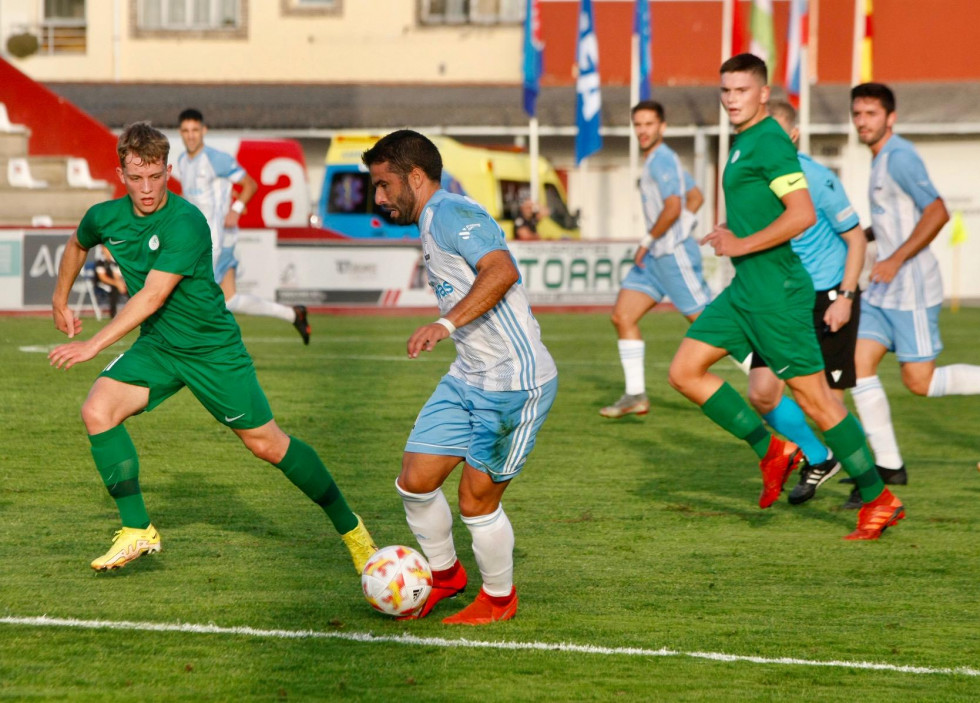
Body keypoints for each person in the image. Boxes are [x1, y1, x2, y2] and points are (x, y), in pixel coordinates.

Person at [48, 122, 376, 574]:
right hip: (160, 346)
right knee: (97, 411)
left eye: (156, 176)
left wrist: (93, 345)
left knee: (268, 445)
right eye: (136, 177)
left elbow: (152, 296)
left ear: (168, 170)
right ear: (121, 174)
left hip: (211, 351)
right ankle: (138, 528)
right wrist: (59, 299)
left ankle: (353, 530)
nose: (147, 188)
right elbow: (76, 243)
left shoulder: (186, 221)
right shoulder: (104, 216)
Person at [667, 54, 904, 540]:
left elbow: (801, 215)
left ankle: (880, 497)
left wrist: (740, 244)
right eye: (725, 91)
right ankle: (772, 449)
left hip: (777, 295)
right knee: (684, 372)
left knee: (817, 402)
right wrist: (735, 231)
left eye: (740, 91)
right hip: (744, 292)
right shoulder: (743, 141)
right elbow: (766, 209)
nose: (731, 99)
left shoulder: (770, 140)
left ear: (762, 94)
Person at [361, 130, 558, 624]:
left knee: (475, 501)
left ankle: (498, 599)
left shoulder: (453, 213)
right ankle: (446, 575)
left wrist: (445, 324)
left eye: (384, 185)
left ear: (416, 177)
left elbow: (502, 270)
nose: (378, 198)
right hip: (468, 376)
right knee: (415, 482)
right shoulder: (430, 220)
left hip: (513, 383)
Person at [846, 83, 980, 506]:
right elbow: (890, 223)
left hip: (913, 289)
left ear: (890, 117)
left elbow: (937, 210)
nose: (862, 121)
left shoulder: (900, 156)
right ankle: (888, 465)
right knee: (857, 364)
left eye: (870, 113)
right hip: (884, 290)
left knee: (919, 383)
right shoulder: (879, 159)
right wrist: (858, 238)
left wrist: (897, 258)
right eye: (857, 113)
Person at [745, 100, 867, 505]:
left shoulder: (816, 178)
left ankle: (866, 485)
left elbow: (855, 239)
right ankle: (819, 456)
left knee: (827, 399)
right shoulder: (757, 179)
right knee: (762, 393)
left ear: (793, 136)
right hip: (783, 300)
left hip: (827, 295)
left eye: (777, 134)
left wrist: (845, 297)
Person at [600, 100, 712, 419]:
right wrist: (687, 221)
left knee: (709, 323)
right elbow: (696, 197)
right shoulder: (657, 161)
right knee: (623, 316)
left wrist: (651, 239)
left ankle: (762, 375)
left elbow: (674, 206)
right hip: (654, 259)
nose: (643, 130)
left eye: (649, 124)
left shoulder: (662, 160)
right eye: (638, 124)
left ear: (662, 127)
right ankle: (635, 395)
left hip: (671, 254)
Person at [175, 108, 311, 344]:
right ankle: (293, 314)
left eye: (195, 130)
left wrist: (236, 209)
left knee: (192, 291)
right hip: (200, 239)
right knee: (229, 300)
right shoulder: (182, 162)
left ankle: (201, 347)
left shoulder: (216, 159)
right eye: (186, 130)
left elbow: (250, 184)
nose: (191, 135)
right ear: (181, 133)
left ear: (203, 131)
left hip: (218, 240)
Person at [93, 245, 128, 318]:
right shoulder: (100, 262)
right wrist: (117, 284)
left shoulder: (113, 262)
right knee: (114, 289)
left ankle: (133, 311)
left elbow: (116, 276)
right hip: (101, 284)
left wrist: (120, 284)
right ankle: (113, 314)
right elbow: (103, 278)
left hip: (113, 284)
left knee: (128, 287)